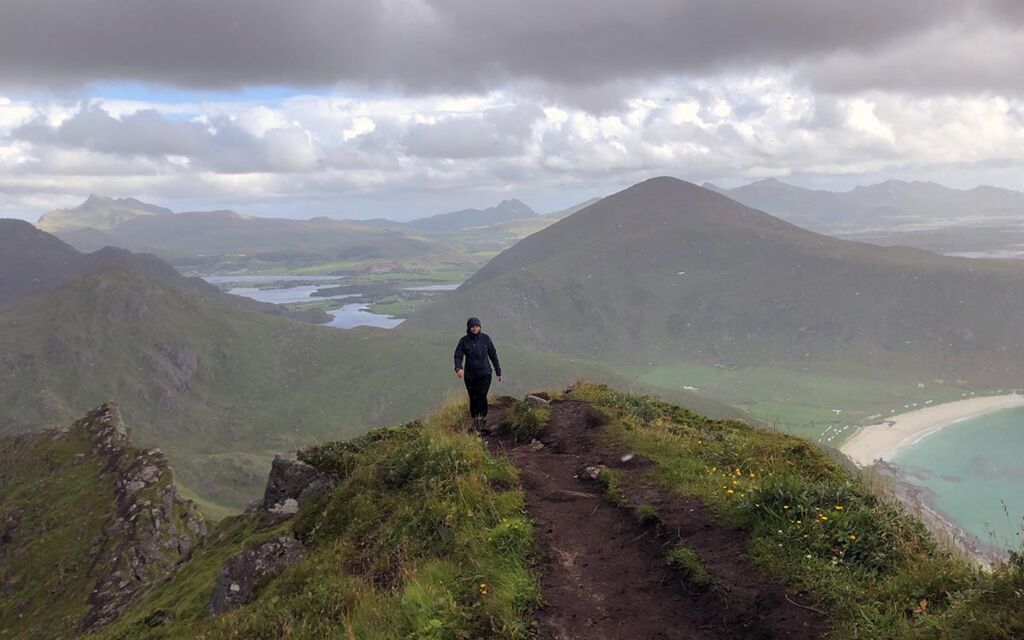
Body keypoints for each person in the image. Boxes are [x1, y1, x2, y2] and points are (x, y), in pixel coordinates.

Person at [453, 316, 502, 427]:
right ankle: (475, 419)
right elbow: (458, 355)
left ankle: (482, 419)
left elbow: (493, 355)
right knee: (473, 396)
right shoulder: (464, 341)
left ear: (480, 327)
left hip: (485, 374)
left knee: (481, 395)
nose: (475, 329)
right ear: (469, 328)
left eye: (477, 326)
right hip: (470, 375)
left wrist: (498, 371)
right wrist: (458, 368)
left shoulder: (486, 339)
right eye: (473, 327)